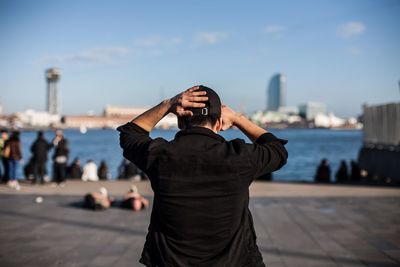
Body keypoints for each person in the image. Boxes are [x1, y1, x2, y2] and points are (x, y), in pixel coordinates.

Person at [118, 85, 288, 266]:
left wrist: (167, 105)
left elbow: (130, 134)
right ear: (219, 123)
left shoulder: (160, 155)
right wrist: (238, 119)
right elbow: (277, 151)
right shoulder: (239, 157)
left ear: (180, 121)